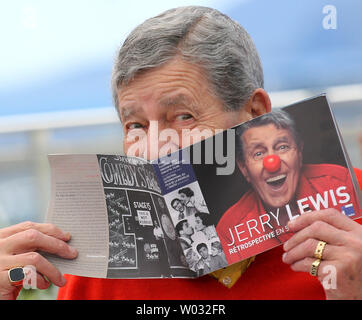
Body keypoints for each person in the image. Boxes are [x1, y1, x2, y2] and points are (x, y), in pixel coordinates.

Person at [0, 6, 361, 300]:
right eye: (136, 126)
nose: (156, 148)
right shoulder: (101, 262)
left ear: (256, 115)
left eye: (183, 117)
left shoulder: (352, 219)